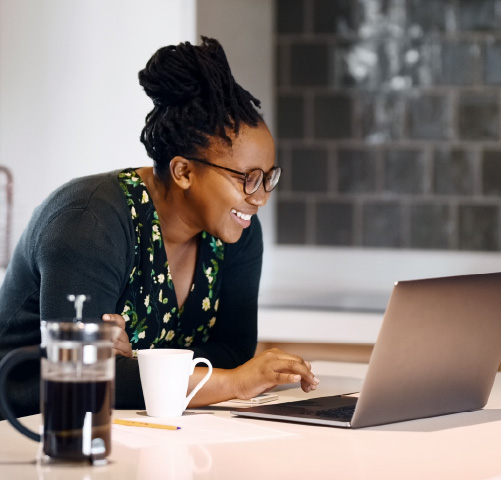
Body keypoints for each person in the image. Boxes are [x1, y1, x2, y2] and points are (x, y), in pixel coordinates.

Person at [0, 37, 318, 418]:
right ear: (184, 171)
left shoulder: (238, 231)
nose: (261, 197)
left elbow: (232, 350)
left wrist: (134, 362)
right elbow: (79, 375)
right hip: (27, 425)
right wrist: (231, 383)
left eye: (268, 178)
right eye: (247, 179)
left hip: (124, 424)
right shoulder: (90, 222)